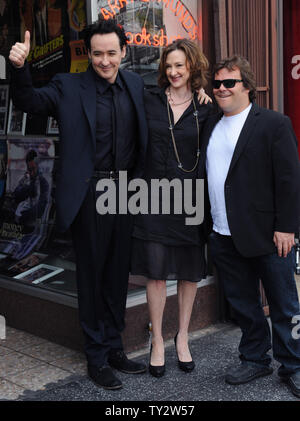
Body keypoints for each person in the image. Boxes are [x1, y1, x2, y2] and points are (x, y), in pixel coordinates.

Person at [9, 18, 148, 390]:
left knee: (118, 276)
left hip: (126, 193)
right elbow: (29, 101)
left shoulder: (134, 84)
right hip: (89, 193)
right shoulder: (68, 86)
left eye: (112, 53)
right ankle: (97, 356)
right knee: (91, 277)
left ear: (124, 52)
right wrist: (19, 67)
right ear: (88, 53)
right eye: (98, 54)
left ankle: (115, 346)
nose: (105, 61)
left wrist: (200, 96)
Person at [201, 55, 300, 398]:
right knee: (244, 303)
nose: (222, 89)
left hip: (270, 235)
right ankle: (255, 358)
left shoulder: (273, 123)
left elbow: (289, 180)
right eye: (217, 84)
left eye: (230, 82)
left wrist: (287, 227)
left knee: (285, 304)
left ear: (247, 86)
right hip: (223, 233)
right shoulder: (210, 124)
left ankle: (295, 364)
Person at [131, 39, 212, 377]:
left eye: (180, 65)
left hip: (191, 199)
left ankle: (182, 337)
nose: (174, 71)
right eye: (169, 65)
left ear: (192, 67)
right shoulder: (149, 100)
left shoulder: (206, 107)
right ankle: (158, 341)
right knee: (157, 272)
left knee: (190, 273)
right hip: (152, 197)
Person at [14, 149, 49, 225]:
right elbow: (16, 194)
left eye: (33, 169)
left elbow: (41, 207)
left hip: (32, 223)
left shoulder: (43, 183)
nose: (32, 173)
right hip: (21, 219)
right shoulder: (26, 178)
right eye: (30, 170)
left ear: (38, 166)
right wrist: (26, 189)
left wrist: (27, 215)